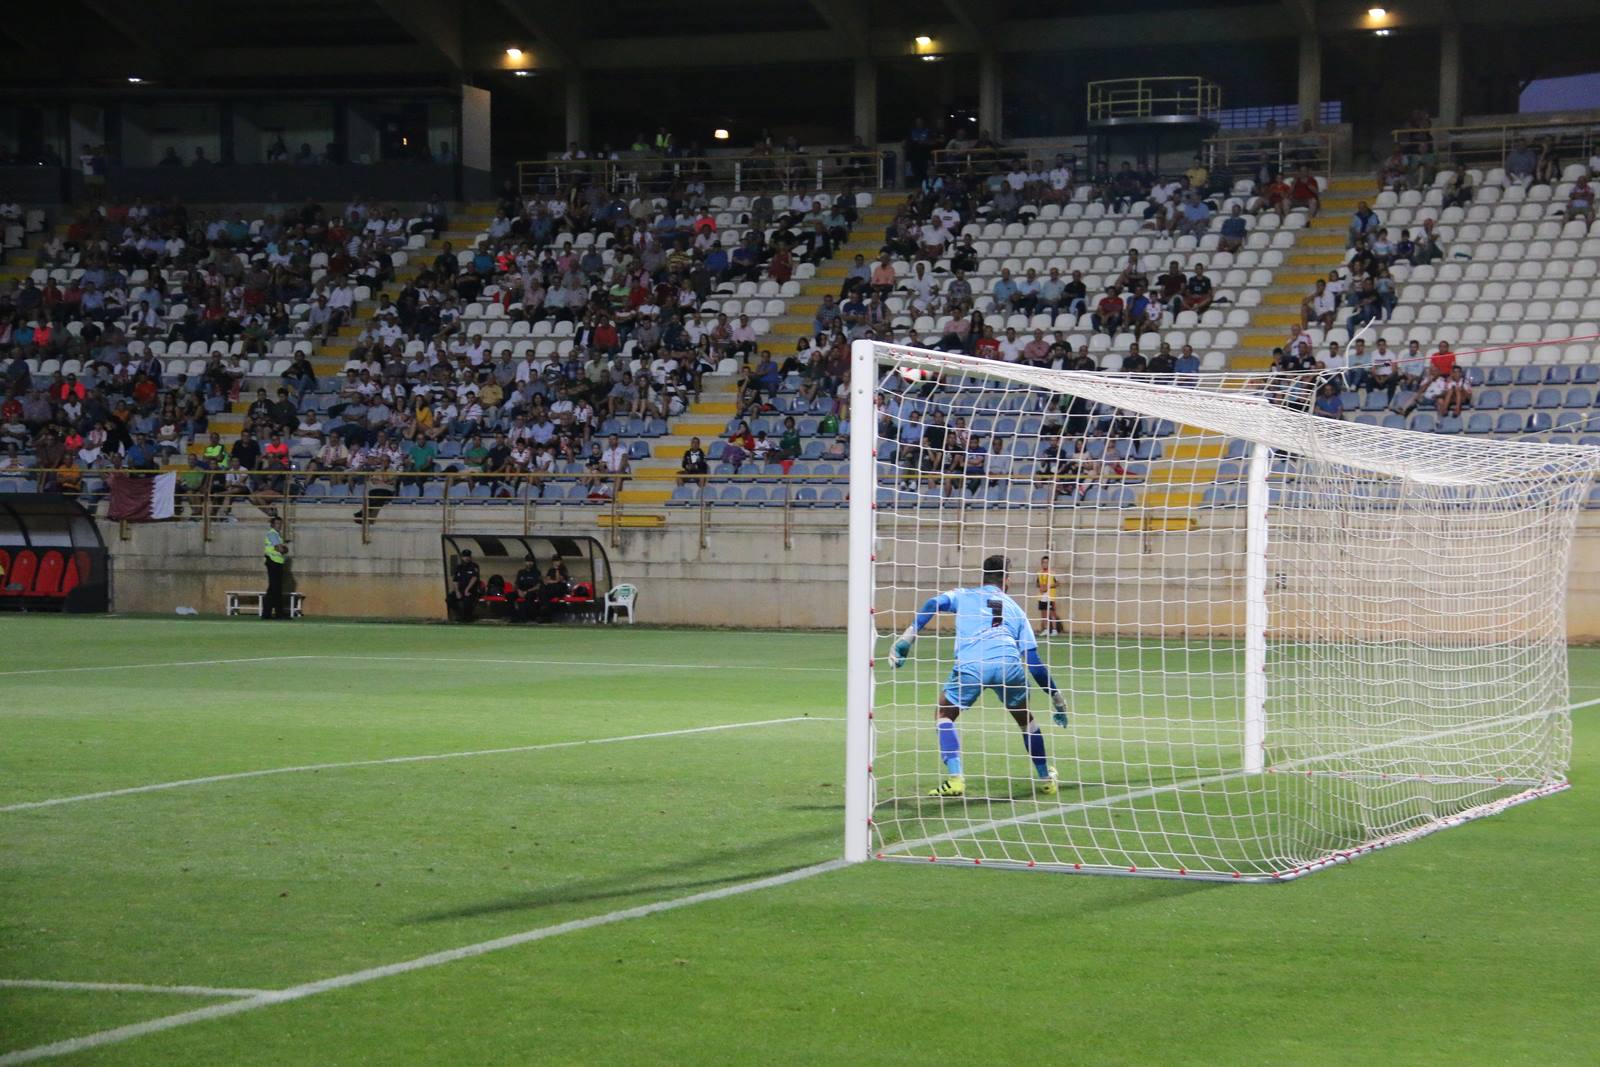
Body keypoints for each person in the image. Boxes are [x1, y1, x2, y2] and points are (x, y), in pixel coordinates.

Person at [888, 554, 1070, 798]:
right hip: (1009, 665)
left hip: (973, 665)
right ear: (1006, 579)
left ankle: (955, 779)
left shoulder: (964, 595)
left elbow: (932, 603)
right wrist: (1057, 699)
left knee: (944, 714)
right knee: (1026, 720)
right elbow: (1035, 664)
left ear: (984, 576)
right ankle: (1046, 779)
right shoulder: (1016, 609)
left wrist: (905, 641)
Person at [263, 515, 290, 620]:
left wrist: (283, 549)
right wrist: (284, 549)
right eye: (277, 524)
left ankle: (267, 613)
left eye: (280, 524)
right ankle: (279, 613)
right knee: (276, 589)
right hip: (273, 562)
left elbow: (281, 548)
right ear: (273, 525)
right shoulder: (273, 534)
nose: (279, 526)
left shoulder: (276, 535)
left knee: (272, 589)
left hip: (276, 562)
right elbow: (280, 549)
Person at [451, 548, 483, 622]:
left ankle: (467, 617)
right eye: (465, 556)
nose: (466, 558)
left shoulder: (474, 566)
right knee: (450, 599)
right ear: (462, 557)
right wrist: (457, 591)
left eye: (468, 556)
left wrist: (467, 589)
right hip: (460, 590)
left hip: (472, 590)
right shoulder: (459, 567)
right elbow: (455, 580)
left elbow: (474, 578)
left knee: (467, 601)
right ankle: (461, 614)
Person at [1035, 554, 1063, 636]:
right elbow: (1037, 584)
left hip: (1050, 596)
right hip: (1042, 596)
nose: (1044, 564)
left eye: (1046, 563)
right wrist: (1041, 587)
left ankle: (1054, 630)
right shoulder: (1039, 573)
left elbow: (1058, 583)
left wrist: (1048, 586)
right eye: (1043, 562)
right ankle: (1046, 629)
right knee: (1043, 613)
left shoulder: (1053, 573)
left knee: (1052, 613)